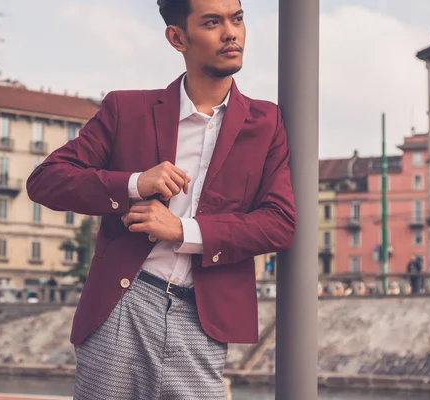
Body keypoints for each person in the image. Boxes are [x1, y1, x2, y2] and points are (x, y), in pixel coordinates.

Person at [25, 0, 296, 398]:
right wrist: (135, 183)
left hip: (204, 317)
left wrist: (182, 230)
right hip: (124, 302)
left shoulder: (266, 122)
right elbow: (46, 180)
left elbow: (279, 223)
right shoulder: (125, 109)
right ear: (177, 37)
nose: (231, 32)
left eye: (237, 19)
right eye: (212, 22)